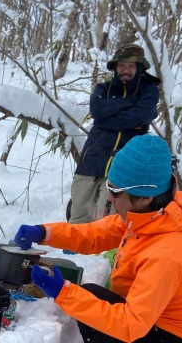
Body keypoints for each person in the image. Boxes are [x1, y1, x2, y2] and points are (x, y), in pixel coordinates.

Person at [14, 134, 182, 342]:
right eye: (109, 186)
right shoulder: (152, 215)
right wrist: (44, 232)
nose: (109, 197)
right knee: (91, 294)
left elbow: (130, 325)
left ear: (146, 197)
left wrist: (62, 292)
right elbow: (95, 234)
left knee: (92, 308)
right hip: (150, 319)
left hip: (172, 336)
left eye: (115, 191)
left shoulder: (167, 253)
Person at [69, 43, 161, 224]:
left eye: (131, 66)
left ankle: (104, 251)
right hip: (92, 157)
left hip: (122, 164)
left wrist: (106, 118)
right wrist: (129, 104)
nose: (125, 70)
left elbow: (140, 116)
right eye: (121, 65)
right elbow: (97, 111)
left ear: (140, 68)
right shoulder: (103, 88)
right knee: (79, 209)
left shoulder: (148, 90)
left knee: (108, 216)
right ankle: (72, 248)